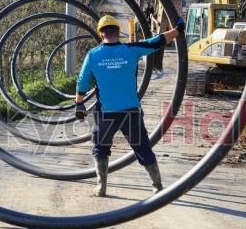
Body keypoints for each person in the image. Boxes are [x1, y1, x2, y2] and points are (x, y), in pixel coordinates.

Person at [75, 14, 185, 197]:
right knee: (142, 148)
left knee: (100, 148)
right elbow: (156, 42)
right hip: (131, 111)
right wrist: (178, 30)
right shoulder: (131, 50)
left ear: (101, 34)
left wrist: (79, 104)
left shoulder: (93, 55)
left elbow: (82, 83)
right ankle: (157, 186)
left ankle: (101, 188)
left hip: (106, 113)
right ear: (118, 32)